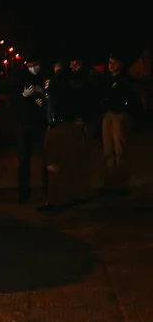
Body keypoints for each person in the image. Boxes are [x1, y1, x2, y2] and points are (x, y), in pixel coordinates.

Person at [38, 60, 90, 212]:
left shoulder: (57, 81)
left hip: (59, 124)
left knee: (54, 163)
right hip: (70, 123)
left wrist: (52, 121)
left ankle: (56, 200)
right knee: (69, 162)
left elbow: (53, 103)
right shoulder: (75, 81)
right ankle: (71, 196)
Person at [99, 53, 143, 195]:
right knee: (108, 149)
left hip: (120, 115)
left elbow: (133, 98)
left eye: (114, 62)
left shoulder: (127, 80)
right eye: (109, 62)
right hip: (109, 114)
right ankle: (111, 182)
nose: (110, 65)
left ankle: (121, 184)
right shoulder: (107, 79)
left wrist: (125, 109)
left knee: (120, 149)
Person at [17, 59, 48, 203]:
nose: (35, 68)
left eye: (37, 65)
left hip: (40, 124)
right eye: (31, 66)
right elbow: (13, 100)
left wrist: (43, 93)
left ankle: (47, 189)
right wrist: (23, 96)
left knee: (46, 157)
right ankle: (23, 192)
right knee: (24, 160)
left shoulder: (44, 78)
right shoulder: (19, 79)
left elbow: (49, 97)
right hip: (24, 125)